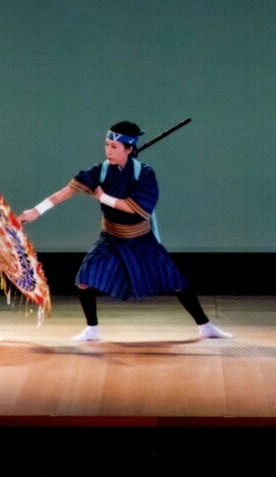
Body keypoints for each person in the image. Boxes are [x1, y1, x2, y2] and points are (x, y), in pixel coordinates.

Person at [18, 121, 232, 342]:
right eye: (107, 145)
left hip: (141, 239)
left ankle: (205, 326)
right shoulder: (100, 171)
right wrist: (36, 211)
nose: (108, 151)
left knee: (175, 280)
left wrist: (103, 197)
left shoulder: (145, 174)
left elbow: (133, 207)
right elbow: (67, 191)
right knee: (84, 279)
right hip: (111, 237)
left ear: (129, 149)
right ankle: (92, 329)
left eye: (114, 147)